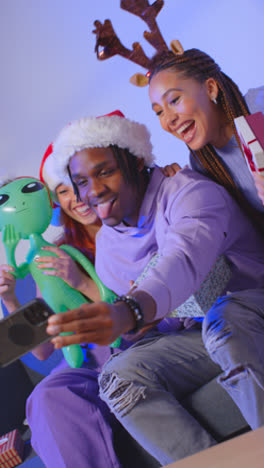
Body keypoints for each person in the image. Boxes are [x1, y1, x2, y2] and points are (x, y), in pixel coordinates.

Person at [41, 110, 264, 465]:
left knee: (223, 321)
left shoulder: (189, 193)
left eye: (105, 171)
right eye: (81, 181)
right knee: (117, 378)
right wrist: (145, 324)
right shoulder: (108, 254)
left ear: (136, 162)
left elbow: (184, 257)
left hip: (250, 307)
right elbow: (171, 322)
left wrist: (132, 309)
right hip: (200, 336)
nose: (93, 191)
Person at [0, 135, 180, 467]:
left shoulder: (139, 222)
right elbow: (42, 350)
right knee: (45, 396)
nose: (77, 198)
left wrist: (81, 280)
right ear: (54, 202)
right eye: (64, 191)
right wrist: (10, 300)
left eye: (78, 184)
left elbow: (155, 303)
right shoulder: (54, 251)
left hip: (142, 340)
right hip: (87, 363)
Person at [146, 46, 264, 431]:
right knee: (224, 318)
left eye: (174, 100)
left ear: (210, 88)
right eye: (159, 112)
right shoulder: (203, 165)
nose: (168, 119)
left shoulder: (260, 108)